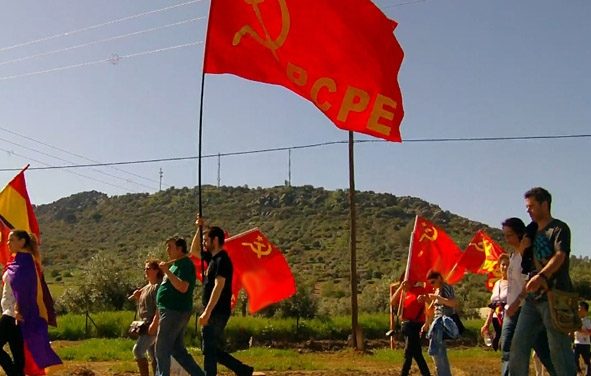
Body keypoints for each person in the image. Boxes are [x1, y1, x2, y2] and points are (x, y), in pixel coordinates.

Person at [509, 187, 577, 375]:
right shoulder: (530, 231)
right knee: (518, 346)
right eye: (526, 207)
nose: (527, 210)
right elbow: (528, 266)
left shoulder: (559, 228)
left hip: (554, 296)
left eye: (531, 206)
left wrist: (542, 276)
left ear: (544, 204)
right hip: (532, 299)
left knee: (559, 349)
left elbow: (560, 256)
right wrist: (524, 250)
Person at [192, 218, 254, 376]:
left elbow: (219, 287)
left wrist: (207, 312)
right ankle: (242, 370)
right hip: (214, 310)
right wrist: (199, 229)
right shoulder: (212, 258)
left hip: (217, 311)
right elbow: (194, 250)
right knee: (209, 348)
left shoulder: (222, 260)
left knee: (209, 349)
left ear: (216, 240)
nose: (204, 243)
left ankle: (235, 370)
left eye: (206, 240)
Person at [497, 217, 556, 376]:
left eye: (509, 235)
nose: (506, 239)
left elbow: (529, 282)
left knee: (543, 350)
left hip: (525, 308)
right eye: (505, 235)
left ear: (519, 234)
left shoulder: (527, 256)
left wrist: (517, 302)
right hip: (511, 310)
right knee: (508, 349)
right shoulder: (513, 256)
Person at [1, 230, 61, 376]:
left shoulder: (26, 264)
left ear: (22, 242)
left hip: (14, 315)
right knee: (19, 359)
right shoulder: (19, 262)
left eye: (11, 240)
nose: (8, 243)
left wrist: (17, 308)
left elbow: (29, 291)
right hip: (15, 316)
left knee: (19, 360)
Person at [154, 237, 204, 376]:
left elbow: (183, 287)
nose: (167, 250)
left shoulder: (185, 265)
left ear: (180, 249)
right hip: (171, 311)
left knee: (162, 348)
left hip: (174, 311)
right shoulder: (176, 264)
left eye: (170, 246)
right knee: (178, 350)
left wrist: (167, 272)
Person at [390, 279, 431, 376]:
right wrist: (400, 288)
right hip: (406, 325)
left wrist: (425, 298)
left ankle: (404, 373)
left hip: (416, 324)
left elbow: (430, 302)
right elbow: (392, 302)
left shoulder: (420, 290)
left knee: (409, 352)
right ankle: (426, 374)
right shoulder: (404, 292)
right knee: (416, 353)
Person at [420, 270, 457, 376]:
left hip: (442, 324)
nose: (432, 285)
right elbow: (432, 310)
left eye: (433, 282)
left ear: (439, 278)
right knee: (437, 353)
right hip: (437, 325)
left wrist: (437, 298)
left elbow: (453, 303)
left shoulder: (446, 288)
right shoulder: (437, 290)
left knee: (438, 352)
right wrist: (427, 324)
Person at [131, 259, 163, 376]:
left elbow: (159, 307)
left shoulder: (158, 286)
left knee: (138, 350)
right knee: (154, 356)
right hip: (146, 324)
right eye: (145, 269)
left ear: (156, 270)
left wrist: (155, 324)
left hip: (152, 324)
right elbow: (144, 307)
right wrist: (138, 298)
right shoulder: (146, 287)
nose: (145, 271)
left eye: (148, 268)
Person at [481, 254, 509, 351]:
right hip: (496, 319)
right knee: (497, 345)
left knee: (506, 344)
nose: (505, 267)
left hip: (508, 318)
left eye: (508, 265)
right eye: (503, 265)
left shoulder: (514, 283)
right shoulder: (497, 284)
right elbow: (493, 305)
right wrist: (486, 324)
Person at [574, 301, 591, 376]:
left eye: (581, 308)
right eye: (578, 308)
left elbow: (589, 332)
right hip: (577, 342)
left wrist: (579, 329)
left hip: (585, 343)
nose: (579, 310)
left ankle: (588, 373)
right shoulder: (576, 320)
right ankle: (579, 372)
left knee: (586, 360)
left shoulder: (588, 321)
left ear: (585, 311)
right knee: (574, 358)